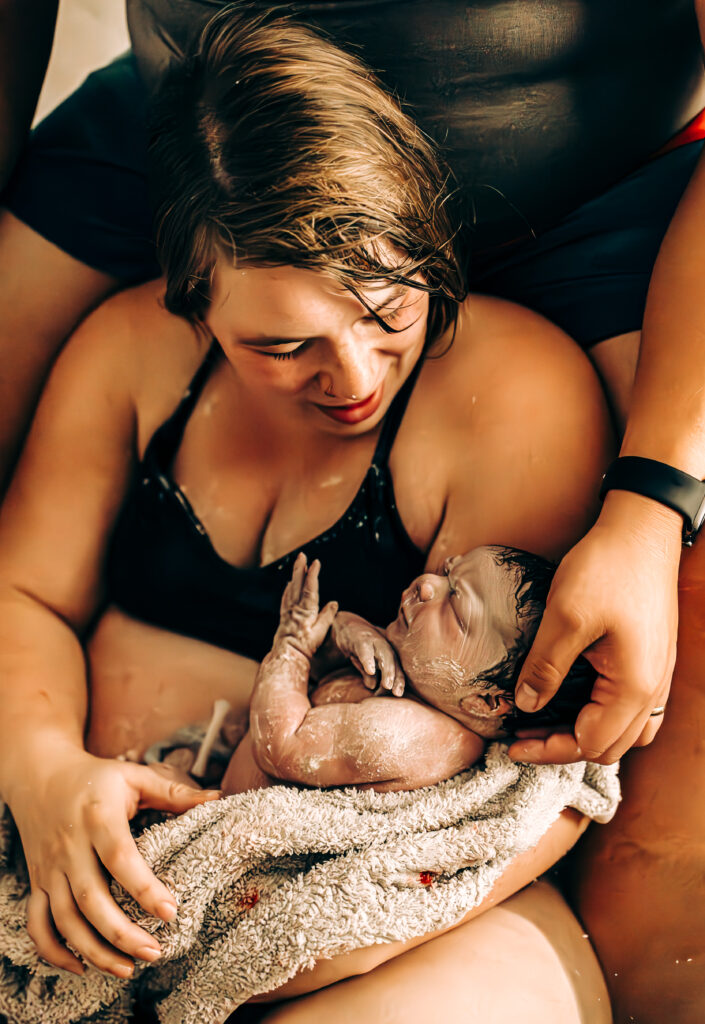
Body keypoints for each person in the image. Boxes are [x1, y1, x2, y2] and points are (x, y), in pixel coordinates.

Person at [0, 9, 613, 1020]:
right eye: (285, 347)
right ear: (194, 298)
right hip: (96, 867)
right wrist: (43, 772)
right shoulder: (131, 360)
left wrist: (246, 955)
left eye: (388, 312)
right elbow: (22, 590)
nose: (355, 376)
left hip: (390, 925)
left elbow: (505, 770)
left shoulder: (507, 399)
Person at [221, 548, 595, 795]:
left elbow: (282, 747)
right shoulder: (422, 679)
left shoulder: (409, 733)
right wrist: (349, 632)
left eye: (454, 605)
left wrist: (292, 646)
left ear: (486, 701)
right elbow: (322, 675)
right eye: (447, 573)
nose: (428, 584)